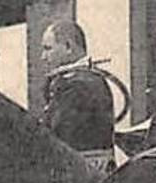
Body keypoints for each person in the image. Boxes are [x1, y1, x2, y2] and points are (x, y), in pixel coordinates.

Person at [39, 21, 125, 168]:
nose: (43, 57)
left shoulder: (77, 85)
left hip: (81, 177)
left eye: (48, 49)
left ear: (68, 47)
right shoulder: (91, 78)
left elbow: (54, 135)